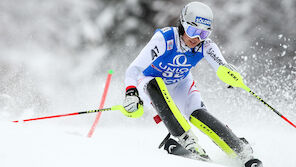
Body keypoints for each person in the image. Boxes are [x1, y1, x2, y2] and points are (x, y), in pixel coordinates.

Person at [123, 2, 262, 167]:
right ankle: (185, 139)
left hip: (180, 82)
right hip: (150, 84)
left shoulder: (206, 46)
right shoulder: (165, 38)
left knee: (197, 112)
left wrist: (231, 76)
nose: (197, 38)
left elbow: (222, 67)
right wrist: (131, 93)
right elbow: (135, 68)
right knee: (155, 83)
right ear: (182, 25)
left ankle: (239, 149)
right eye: (193, 31)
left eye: (203, 33)